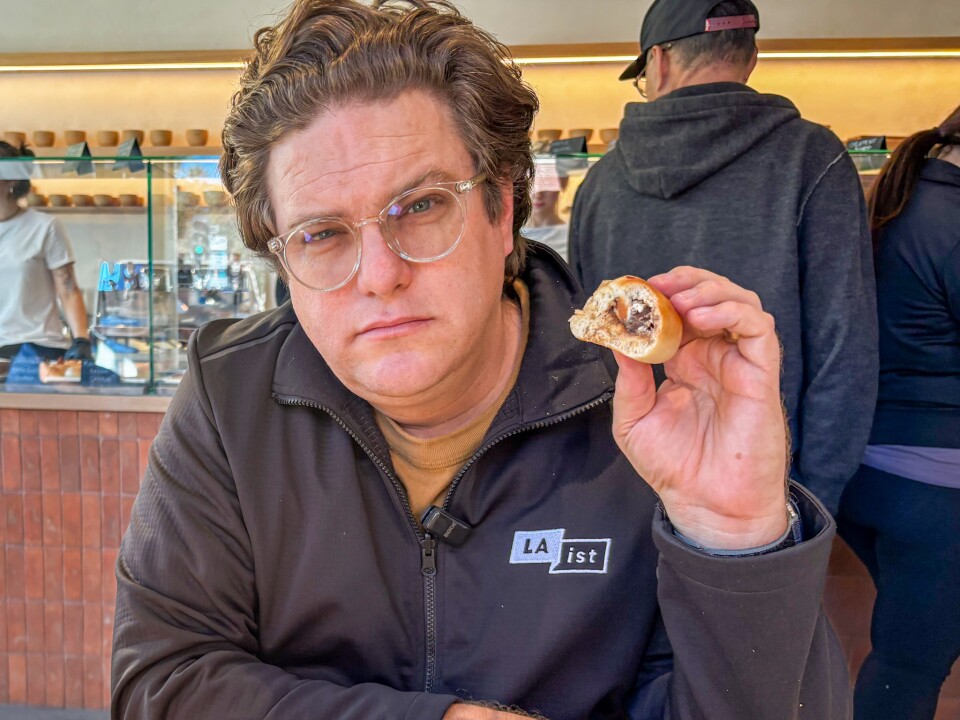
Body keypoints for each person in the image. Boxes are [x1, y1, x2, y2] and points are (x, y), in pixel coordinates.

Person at [111, 2, 849, 719]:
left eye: (423, 206)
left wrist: (737, 541)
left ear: (502, 210)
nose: (378, 274)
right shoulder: (229, 396)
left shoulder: (654, 415)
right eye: (321, 234)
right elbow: (163, 681)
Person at [569, 0, 878, 515]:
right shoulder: (813, 159)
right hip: (765, 485)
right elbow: (845, 346)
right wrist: (815, 497)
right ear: (750, 57)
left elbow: (584, 341)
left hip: (624, 473)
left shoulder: (599, 182)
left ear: (659, 62)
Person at [836, 105, 960, 720]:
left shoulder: (900, 198)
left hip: (863, 469)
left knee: (913, 631)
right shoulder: (953, 219)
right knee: (908, 666)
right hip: (936, 489)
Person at [0, 141, 93, 369]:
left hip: (35, 350)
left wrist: (81, 339)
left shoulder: (44, 227)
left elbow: (68, 290)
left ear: (12, 179)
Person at [521, 177, 569, 262]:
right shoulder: (512, 233)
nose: (538, 194)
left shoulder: (570, 236)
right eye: (532, 184)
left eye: (548, 184)